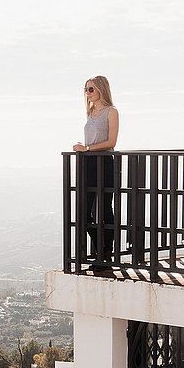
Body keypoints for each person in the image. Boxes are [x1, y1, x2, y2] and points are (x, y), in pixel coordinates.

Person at [73, 75, 119, 271]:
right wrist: (84, 150)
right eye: (86, 89)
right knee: (84, 212)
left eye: (91, 89)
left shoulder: (112, 111)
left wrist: (88, 148)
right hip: (88, 164)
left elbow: (112, 142)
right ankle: (101, 247)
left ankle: (105, 253)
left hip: (104, 163)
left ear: (101, 89)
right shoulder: (90, 113)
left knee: (105, 209)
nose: (88, 92)